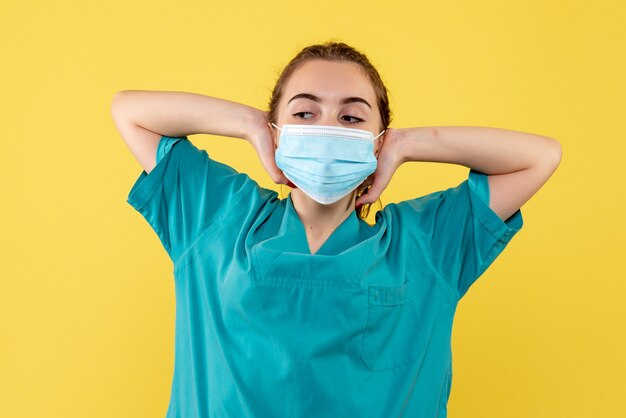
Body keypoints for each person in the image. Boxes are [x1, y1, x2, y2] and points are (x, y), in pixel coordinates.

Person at [111, 41, 561, 418]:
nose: (327, 129)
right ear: (277, 131)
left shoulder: (425, 244)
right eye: (305, 114)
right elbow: (129, 110)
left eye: (351, 118)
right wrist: (249, 125)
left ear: (378, 140)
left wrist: (407, 144)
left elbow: (540, 157)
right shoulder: (218, 216)